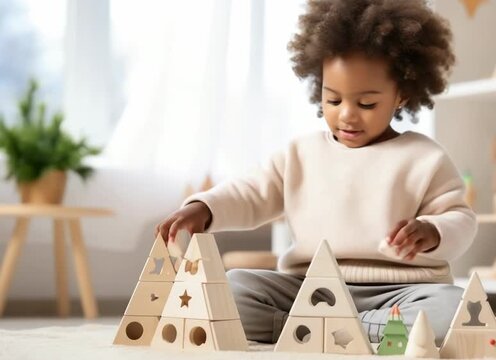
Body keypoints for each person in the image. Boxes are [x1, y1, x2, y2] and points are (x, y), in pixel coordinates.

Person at [156, 0, 476, 345]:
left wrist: (432, 231)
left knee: (453, 307)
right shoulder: (300, 154)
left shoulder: (423, 157)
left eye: (367, 104)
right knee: (232, 288)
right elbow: (250, 192)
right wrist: (203, 209)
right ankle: (334, 329)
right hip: (308, 288)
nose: (347, 116)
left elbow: (460, 218)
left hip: (400, 293)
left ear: (402, 94)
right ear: (318, 88)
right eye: (333, 100)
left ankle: (319, 330)